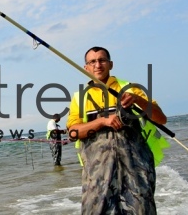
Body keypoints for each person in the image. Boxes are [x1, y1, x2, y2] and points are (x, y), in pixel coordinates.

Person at [66, 46, 168, 215]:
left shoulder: (130, 88)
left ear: (110, 64)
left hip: (136, 169)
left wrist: (138, 100)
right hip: (97, 174)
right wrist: (101, 122)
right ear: (86, 68)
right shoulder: (79, 97)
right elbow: (73, 133)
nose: (98, 65)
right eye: (92, 61)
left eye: (102, 60)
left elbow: (161, 118)